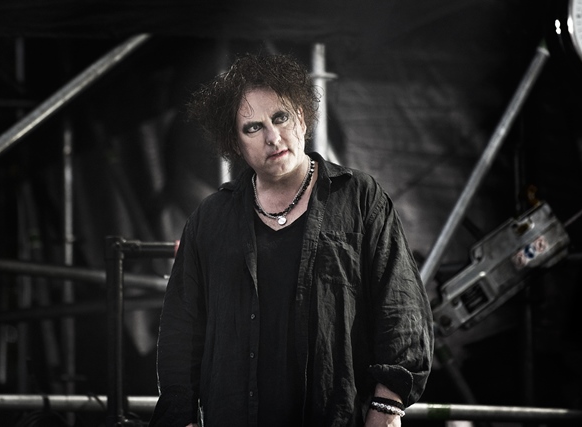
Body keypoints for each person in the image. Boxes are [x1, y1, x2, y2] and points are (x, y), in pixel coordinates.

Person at [148, 52, 434, 427]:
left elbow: (401, 307)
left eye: (280, 117)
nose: (272, 137)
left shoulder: (360, 198)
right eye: (253, 127)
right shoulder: (211, 218)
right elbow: (181, 330)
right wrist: (180, 416)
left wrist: (387, 405)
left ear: (301, 116)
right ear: (235, 142)